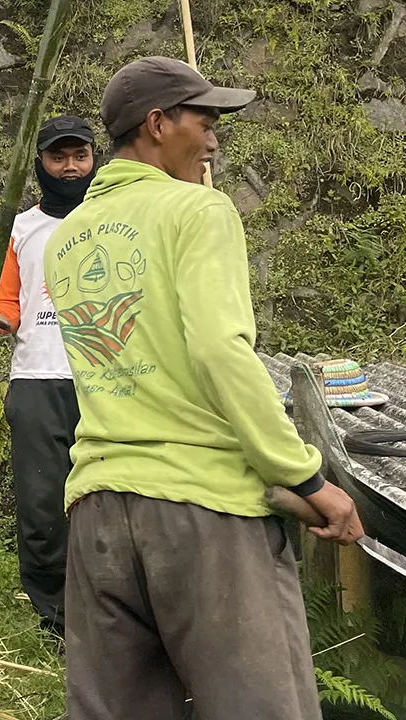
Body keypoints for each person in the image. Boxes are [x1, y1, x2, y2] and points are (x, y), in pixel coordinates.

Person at [42, 56, 362, 719]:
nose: (214, 140)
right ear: (157, 125)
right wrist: (302, 478)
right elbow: (219, 353)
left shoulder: (66, 239)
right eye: (205, 121)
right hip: (203, 518)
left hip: (97, 515)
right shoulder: (198, 211)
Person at [0, 115, 96, 639]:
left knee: (111, 498)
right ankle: (56, 617)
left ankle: (112, 606)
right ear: (40, 163)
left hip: (106, 376)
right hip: (39, 379)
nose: (69, 166)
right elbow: (10, 306)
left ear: (93, 159)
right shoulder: (19, 227)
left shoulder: (115, 217)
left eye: (78, 156)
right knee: (43, 507)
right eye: (58, 157)